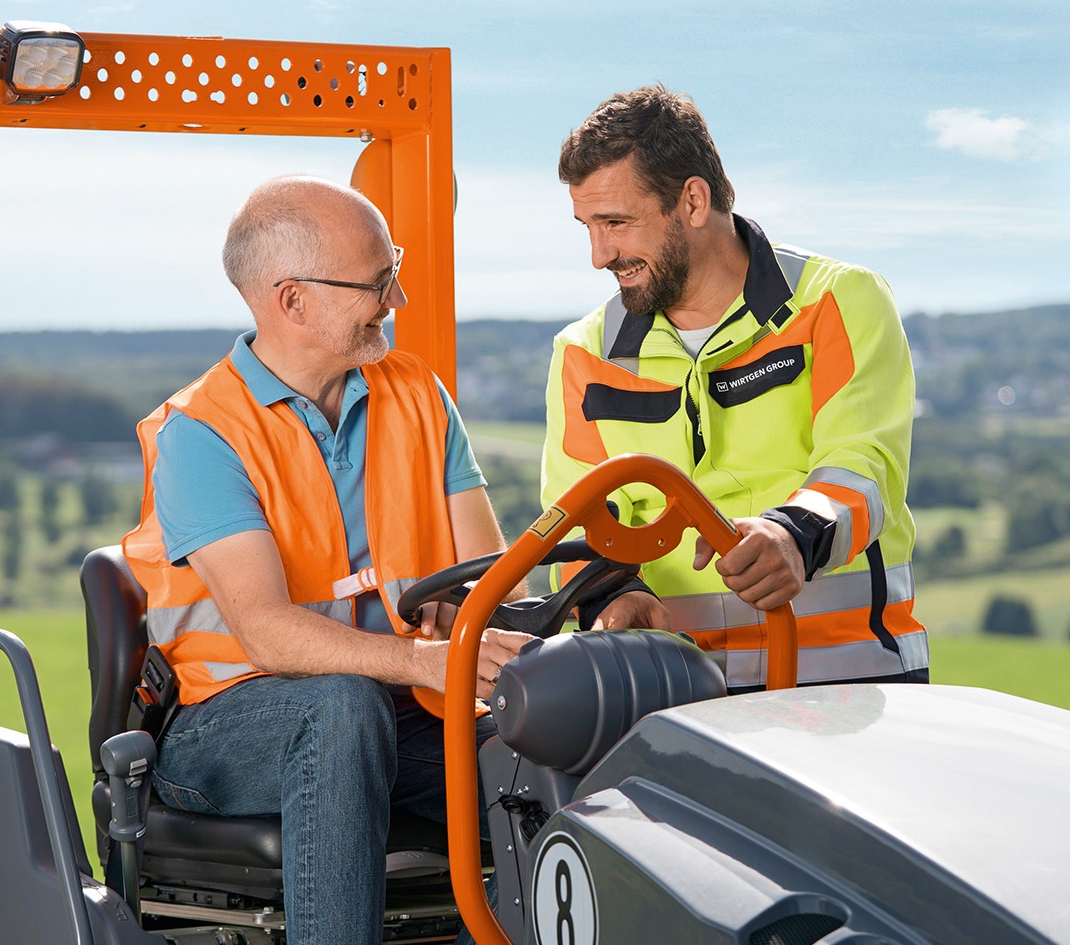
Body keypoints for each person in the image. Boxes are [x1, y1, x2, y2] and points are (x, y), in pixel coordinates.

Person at [122, 176, 531, 944]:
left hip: (403, 710)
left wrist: (475, 609)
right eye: (377, 282)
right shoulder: (201, 434)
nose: (397, 298)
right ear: (292, 300)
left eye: (394, 270)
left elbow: (491, 571)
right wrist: (421, 660)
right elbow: (271, 637)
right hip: (229, 726)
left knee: (554, 733)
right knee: (341, 706)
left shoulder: (416, 393)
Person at [541, 85, 928, 690]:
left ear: (692, 200)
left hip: (843, 682)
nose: (598, 255)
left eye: (616, 222)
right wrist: (610, 597)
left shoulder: (836, 303)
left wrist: (794, 535)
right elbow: (574, 521)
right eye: (587, 226)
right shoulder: (582, 354)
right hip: (666, 695)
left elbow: (862, 466)